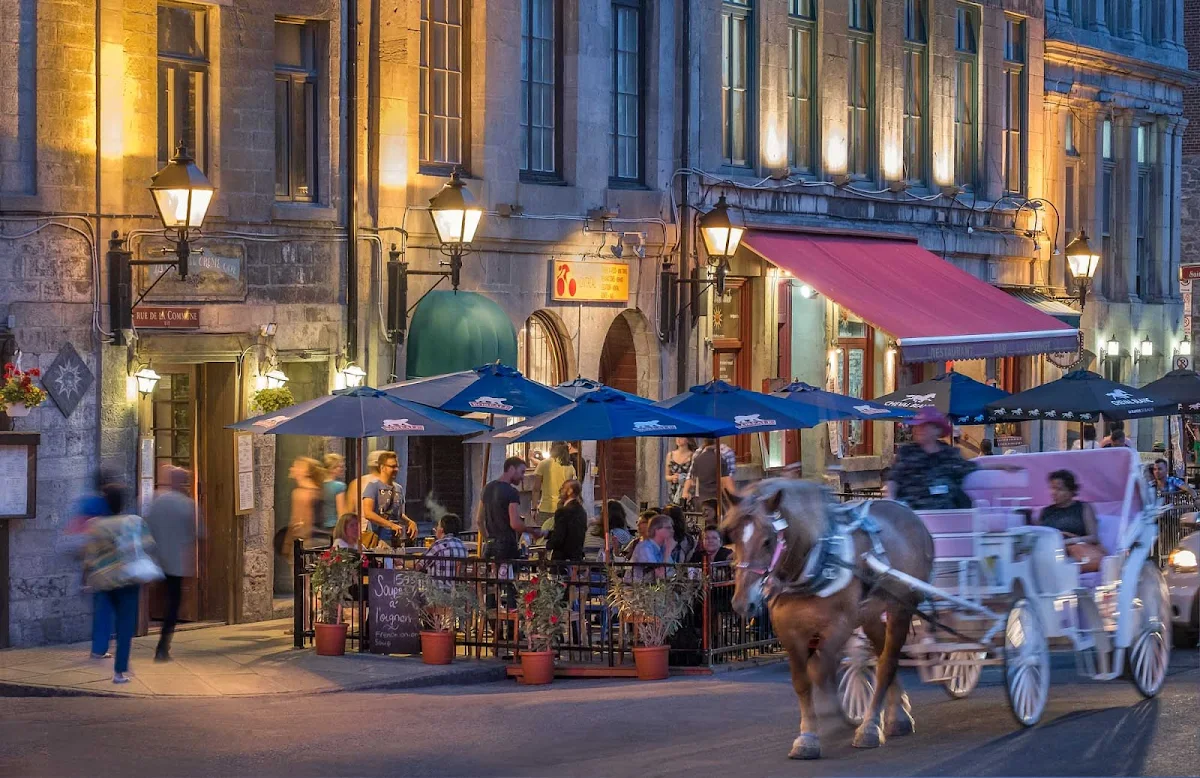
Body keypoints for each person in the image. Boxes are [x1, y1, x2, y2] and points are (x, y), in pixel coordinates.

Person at [83, 482, 161, 684]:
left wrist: (85, 579)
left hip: (104, 580)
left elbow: (89, 557)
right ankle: (119, 672)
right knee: (125, 627)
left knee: (102, 615)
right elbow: (149, 545)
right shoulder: (135, 522)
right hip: (128, 579)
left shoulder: (96, 525)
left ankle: (99, 648)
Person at [143, 465, 197, 663]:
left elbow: (147, 527)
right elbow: (198, 532)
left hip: (157, 560)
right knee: (173, 605)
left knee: (158, 599)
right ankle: (163, 647)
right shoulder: (187, 504)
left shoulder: (157, 500)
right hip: (177, 562)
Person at [887, 407, 978, 510]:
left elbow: (973, 466)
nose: (917, 430)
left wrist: (999, 464)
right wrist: (891, 498)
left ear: (937, 430)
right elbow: (893, 479)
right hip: (913, 516)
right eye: (916, 426)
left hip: (946, 516)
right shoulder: (907, 453)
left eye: (924, 426)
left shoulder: (950, 454)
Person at [1036, 469, 1104, 571]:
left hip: (1076, 551)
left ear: (1071, 491)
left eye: (1059, 489)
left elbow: (1093, 537)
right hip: (1051, 552)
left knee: (1094, 561)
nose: (1053, 493)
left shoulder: (1083, 508)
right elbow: (1039, 537)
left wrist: (1069, 541)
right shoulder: (1045, 511)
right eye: (1052, 488)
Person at [480, 456, 542, 561]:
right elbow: (515, 524)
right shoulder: (512, 492)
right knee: (508, 575)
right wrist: (532, 531)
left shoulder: (487, 488)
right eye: (522, 472)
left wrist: (488, 540)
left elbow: (479, 520)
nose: (523, 477)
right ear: (512, 469)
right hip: (507, 546)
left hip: (490, 545)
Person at [362, 451, 418, 548]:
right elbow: (368, 513)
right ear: (382, 467)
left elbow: (398, 514)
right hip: (377, 540)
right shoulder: (373, 486)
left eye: (397, 466)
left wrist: (410, 522)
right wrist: (390, 525)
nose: (396, 469)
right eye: (392, 466)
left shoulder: (398, 488)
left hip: (395, 539)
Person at [533, 442, 577, 530]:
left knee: (544, 539)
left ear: (551, 449)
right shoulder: (570, 467)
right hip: (564, 508)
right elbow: (574, 491)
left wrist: (534, 508)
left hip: (546, 507)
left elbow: (536, 489)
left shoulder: (543, 464)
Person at [683, 438, 735, 506]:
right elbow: (727, 480)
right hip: (719, 498)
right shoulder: (725, 452)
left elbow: (691, 477)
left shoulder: (699, 455)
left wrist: (685, 492)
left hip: (703, 497)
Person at [545, 479, 587, 562]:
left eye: (563, 488)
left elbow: (559, 537)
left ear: (570, 491)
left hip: (561, 560)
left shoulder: (563, 512)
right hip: (576, 559)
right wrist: (547, 534)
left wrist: (547, 545)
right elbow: (572, 532)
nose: (560, 490)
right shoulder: (582, 512)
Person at [288, 457, 325, 547]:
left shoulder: (301, 493)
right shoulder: (317, 489)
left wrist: (288, 543)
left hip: (308, 541)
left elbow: (299, 520)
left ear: (306, 472)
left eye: (297, 466)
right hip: (322, 538)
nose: (291, 468)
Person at [424, 513, 469, 578]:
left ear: (442, 529)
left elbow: (419, 565)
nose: (436, 528)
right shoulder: (463, 547)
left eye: (438, 525)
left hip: (437, 587)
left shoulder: (438, 545)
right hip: (457, 587)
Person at [631, 514, 676, 579]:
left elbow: (671, 572)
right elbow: (659, 576)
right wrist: (668, 551)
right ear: (656, 530)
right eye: (668, 528)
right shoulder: (645, 548)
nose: (672, 531)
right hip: (639, 587)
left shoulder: (662, 547)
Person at [321, 453, 348, 535]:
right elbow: (341, 513)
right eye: (341, 467)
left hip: (319, 527)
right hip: (333, 527)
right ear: (332, 469)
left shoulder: (317, 485)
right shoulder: (339, 486)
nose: (344, 469)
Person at [665, 437, 695, 506]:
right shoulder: (670, 455)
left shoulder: (692, 455)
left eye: (681, 437)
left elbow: (695, 476)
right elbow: (667, 476)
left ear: (688, 439)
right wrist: (672, 477)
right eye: (677, 437)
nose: (678, 439)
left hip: (688, 491)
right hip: (674, 491)